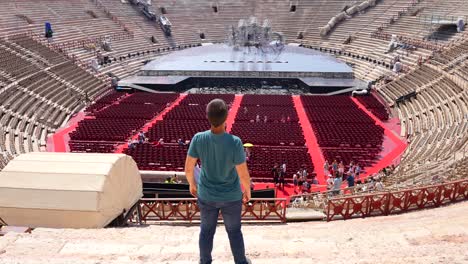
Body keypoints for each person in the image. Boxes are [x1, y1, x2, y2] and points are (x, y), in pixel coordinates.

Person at [184, 99, 251, 264]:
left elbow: (188, 168)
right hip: (232, 197)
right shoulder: (235, 142)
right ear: (226, 117)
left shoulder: (198, 138)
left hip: (206, 195)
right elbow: (243, 174)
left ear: (208, 117)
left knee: (206, 232)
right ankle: (241, 261)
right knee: (234, 232)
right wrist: (248, 190)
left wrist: (192, 184)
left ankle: (205, 261)